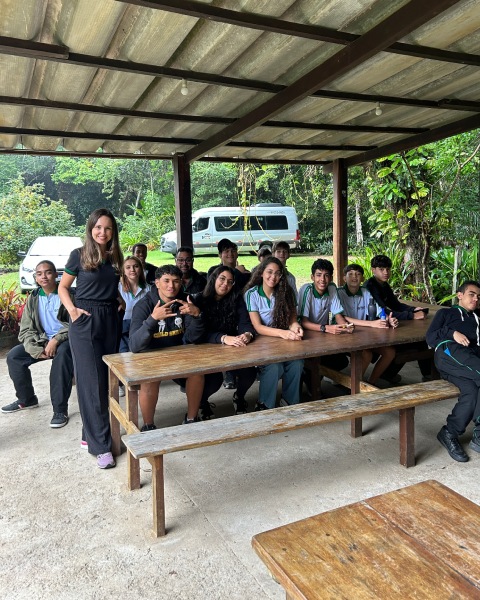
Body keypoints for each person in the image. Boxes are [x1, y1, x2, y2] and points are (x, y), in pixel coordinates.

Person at [59, 208, 123, 470]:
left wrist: (118, 299)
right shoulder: (79, 254)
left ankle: (90, 433)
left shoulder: (115, 256)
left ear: (113, 231)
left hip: (110, 319)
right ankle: (101, 447)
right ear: (90, 228)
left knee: (106, 380)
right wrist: (73, 311)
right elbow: (63, 287)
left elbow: (109, 284)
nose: (102, 232)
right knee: (91, 383)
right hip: (85, 320)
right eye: (98, 227)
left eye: (107, 228)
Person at [129, 265, 204, 428]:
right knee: (149, 379)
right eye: (166, 281)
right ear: (157, 283)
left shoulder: (186, 301)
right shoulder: (144, 305)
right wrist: (152, 319)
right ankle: (148, 425)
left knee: (198, 373)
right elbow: (134, 345)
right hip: (151, 355)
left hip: (179, 354)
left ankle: (192, 419)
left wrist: (196, 315)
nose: (171, 286)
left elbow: (194, 338)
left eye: (176, 281)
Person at [2, 260, 74, 428]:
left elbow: (75, 324)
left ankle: (60, 410)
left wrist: (56, 340)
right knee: (14, 357)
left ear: (56, 275)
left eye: (48, 272)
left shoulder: (68, 295)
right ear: (35, 277)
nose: (44, 277)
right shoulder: (33, 298)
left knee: (61, 358)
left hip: (65, 340)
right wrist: (34, 349)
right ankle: (27, 399)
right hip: (41, 340)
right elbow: (26, 330)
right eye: (39, 274)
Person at [185, 266, 257, 418]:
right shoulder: (197, 300)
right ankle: (201, 402)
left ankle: (239, 397)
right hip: (204, 349)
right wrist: (223, 338)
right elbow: (195, 336)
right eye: (222, 279)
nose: (225, 284)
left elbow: (245, 322)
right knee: (213, 380)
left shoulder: (236, 299)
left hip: (230, 347)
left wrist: (247, 334)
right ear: (213, 279)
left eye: (230, 282)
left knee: (249, 372)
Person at [426, 280, 480, 463]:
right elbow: (430, 337)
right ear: (460, 295)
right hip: (449, 352)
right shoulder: (446, 313)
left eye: (478, 296)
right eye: (471, 294)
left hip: (468, 364)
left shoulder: (477, 318)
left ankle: (449, 433)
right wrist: (452, 333)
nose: (475, 299)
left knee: (472, 392)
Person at [244, 257, 304, 410]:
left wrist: (296, 327)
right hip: (262, 342)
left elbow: (292, 319)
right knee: (274, 366)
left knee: (297, 363)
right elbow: (258, 327)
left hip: (283, 341)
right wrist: (283, 333)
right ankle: (265, 404)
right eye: (269, 272)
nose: (273, 277)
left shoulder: (286, 292)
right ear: (262, 273)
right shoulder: (252, 294)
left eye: (277, 273)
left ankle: (290, 402)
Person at [365, 254, 430, 382]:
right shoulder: (370, 287)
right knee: (406, 344)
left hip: (387, 323)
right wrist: (412, 315)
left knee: (421, 342)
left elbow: (396, 305)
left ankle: (428, 375)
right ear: (373, 270)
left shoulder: (384, 285)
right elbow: (383, 311)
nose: (386, 272)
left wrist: (413, 309)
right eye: (381, 269)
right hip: (374, 327)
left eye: (388, 269)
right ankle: (387, 374)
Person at [337, 263, 397, 385]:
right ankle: (354, 386)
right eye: (350, 274)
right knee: (367, 354)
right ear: (344, 278)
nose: (354, 277)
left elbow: (379, 310)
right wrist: (371, 324)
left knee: (390, 352)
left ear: (362, 278)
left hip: (364, 335)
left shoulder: (365, 291)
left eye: (358, 274)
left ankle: (371, 383)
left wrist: (388, 319)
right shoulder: (339, 293)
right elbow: (343, 318)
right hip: (345, 334)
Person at [207, 238, 250, 389]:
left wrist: (247, 333)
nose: (230, 254)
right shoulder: (213, 271)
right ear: (220, 255)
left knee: (242, 338)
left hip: (237, 314)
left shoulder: (245, 274)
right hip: (217, 323)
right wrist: (238, 272)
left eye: (233, 250)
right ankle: (229, 374)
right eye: (226, 251)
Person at [298, 259, 353, 372]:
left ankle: (318, 376)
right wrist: (326, 328)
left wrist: (345, 326)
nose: (322, 279)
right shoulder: (307, 290)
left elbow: (337, 314)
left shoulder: (332, 287)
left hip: (322, 335)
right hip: (306, 335)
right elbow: (304, 322)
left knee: (341, 361)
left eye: (326, 275)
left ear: (331, 278)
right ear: (312, 277)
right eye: (318, 275)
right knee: (310, 365)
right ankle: (312, 377)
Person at [118, 255, 150, 357]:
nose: (132, 270)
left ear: (140, 268)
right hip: (123, 327)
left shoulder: (149, 289)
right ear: (123, 271)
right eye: (128, 267)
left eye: (136, 266)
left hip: (141, 326)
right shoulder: (117, 288)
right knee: (124, 355)